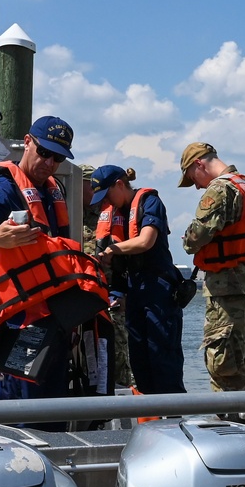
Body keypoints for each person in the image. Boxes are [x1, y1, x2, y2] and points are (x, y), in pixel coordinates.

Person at [0, 116, 112, 425]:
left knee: (52, 411)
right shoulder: (2, 187)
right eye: (44, 152)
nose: (49, 162)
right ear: (28, 141)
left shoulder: (52, 191)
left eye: (57, 157)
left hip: (52, 317)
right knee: (19, 414)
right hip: (15, 319)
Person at [180, 143, 245, 416]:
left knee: (223, 360)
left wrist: (185, 238)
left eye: (192, 178)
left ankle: (232, 424)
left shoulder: (221, 189)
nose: (196, 186)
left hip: (226, 285)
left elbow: (195, 238)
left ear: (199, 165)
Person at [92, 165, 186, 394]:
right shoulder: (115, 214)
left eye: (107, 195)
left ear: (119, 185)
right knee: (140, 361)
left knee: (163, 357)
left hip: (158, 289)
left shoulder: (150, 203)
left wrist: (113, 250)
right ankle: (150, 421)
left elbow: (146, 241)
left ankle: (173, 419)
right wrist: (117, 291)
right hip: (134, 290)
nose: (108, 202)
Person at [82, 163, 133, 388]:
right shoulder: (70, 212)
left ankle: (121, 396)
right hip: (82, 297)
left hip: (111, 295)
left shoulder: (115, 213)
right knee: (87, 355)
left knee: (117, 351)